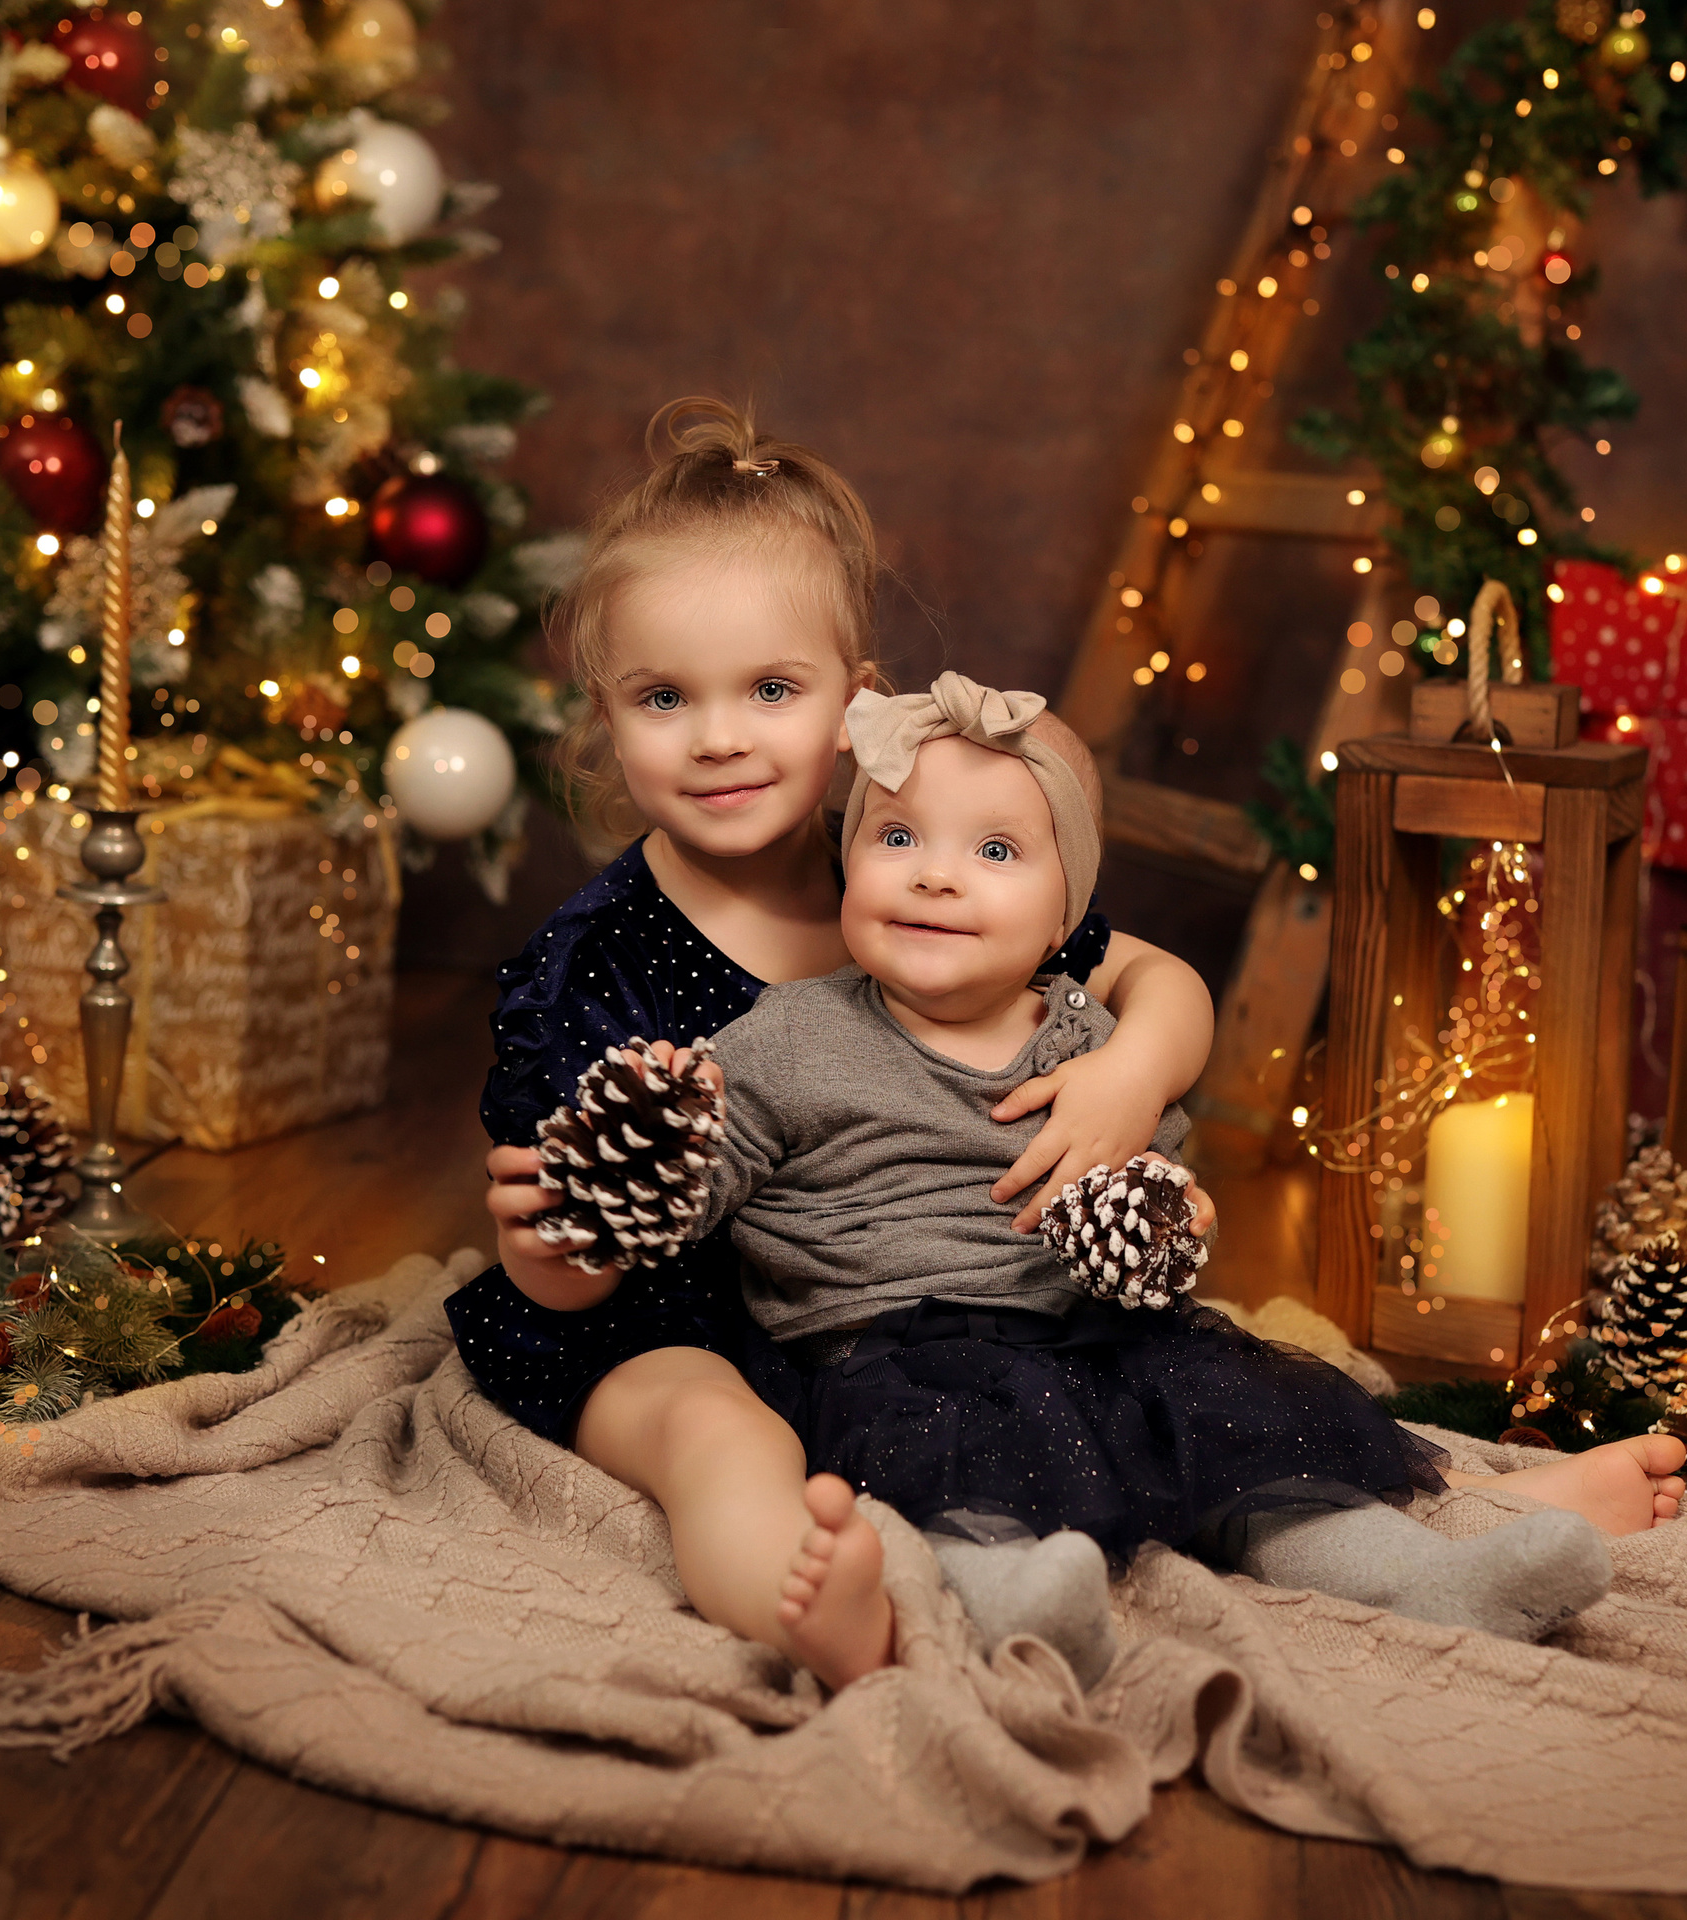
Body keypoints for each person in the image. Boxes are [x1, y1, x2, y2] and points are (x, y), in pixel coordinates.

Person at [664, 674, 1687, 1681]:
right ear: (848, 863)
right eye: (896, 838)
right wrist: (656, 1137)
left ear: (1065, 916)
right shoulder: (791, 1035)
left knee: (1254, 1441)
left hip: (1098, 1339)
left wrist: (1169, 1225)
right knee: (956, 1470)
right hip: (901, 1358)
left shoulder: (1094, 1047)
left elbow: (1151, 1203)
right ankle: (1016, 1601)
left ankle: (1422, 1578)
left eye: (995, 851)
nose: (935, 876)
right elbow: (696, 1188)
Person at [447, 400, 1220, 1691]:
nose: (719, 737)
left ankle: (1415, 1525)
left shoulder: (908, 869)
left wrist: (1135, 1072)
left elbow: (1157, 982)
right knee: (717, 1439)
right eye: (662, 698)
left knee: (1158, 1367)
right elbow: (585, 1252)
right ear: (605, 716)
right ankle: (813, 1609)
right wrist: (553, 1254)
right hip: (669, 1321)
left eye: (771, 690)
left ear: (859, 709)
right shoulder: (594, 966)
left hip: (897, 1302)